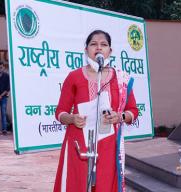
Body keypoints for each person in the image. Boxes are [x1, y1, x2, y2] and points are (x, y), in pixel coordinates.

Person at [53, 30, 139, 192]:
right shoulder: (74, 77)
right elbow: (60, 112)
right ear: (86, 50)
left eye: (103, 45)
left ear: (110, 51)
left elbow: (133, 111)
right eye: (93, 44)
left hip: (108, 144)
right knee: (76, 184)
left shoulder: (121, 79)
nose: (98, 48)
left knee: (105, 185)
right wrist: (72, 118)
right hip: (79, 143)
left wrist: (119, 116)